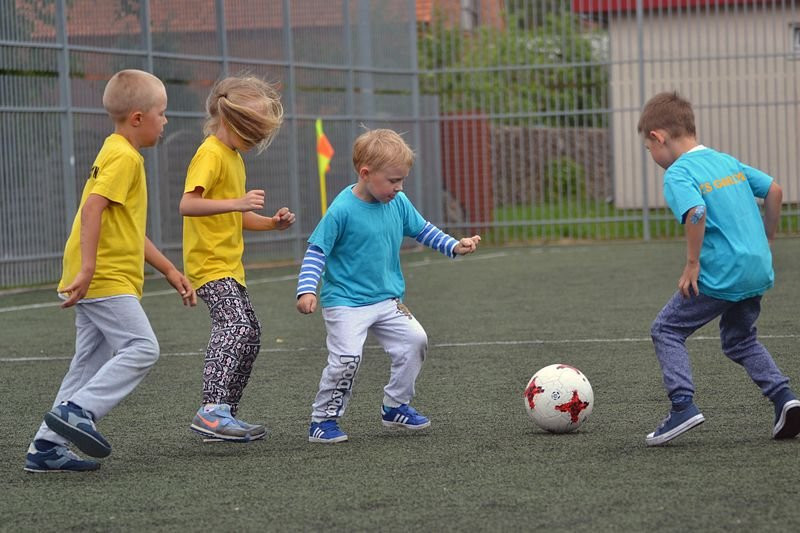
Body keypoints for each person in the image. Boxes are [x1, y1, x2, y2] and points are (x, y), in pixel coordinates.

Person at [24, 69, 197, 473]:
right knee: (143, 347)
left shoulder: (116, 151)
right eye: (162, 112)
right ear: (138, 118)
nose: (166, 120)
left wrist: (169, 270)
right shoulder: (123, 156)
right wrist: (88, 268)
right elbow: (92, 208)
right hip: (104, 276)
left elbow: (129, 231)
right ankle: (78, 411)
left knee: (87, 365)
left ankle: (45, 449)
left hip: (102, 274)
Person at [296, 128, 481, 443]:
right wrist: (307, 289)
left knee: (415, 340)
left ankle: (395, 405)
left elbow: (421, 229)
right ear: (366, 174)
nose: (399, 187)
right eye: (393, 181)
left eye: (402, 181)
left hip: (387, 300)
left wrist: (453, 245)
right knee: (346, 360)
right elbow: (317, 251)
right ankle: (323, 420)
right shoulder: (341, 210)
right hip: (345, 302)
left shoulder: (399, 202)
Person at [638, 91, 800, 446]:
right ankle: (785, 399)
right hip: (757, 269)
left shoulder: (678, 173)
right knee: (740, 339)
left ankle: (683, 406)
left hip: (723, 273)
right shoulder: (725, 160)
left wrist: (692, 264)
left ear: (658, 137)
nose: (653, 157)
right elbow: (774, 190)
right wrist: (767, 241)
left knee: (666, 329)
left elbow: (695, 212)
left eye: (649, 150)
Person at [180, 75, 295, 443]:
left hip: (229, 265)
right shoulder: (210, 153)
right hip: (208, 264)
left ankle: (223, 415)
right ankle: (210, 410)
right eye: (253, 133)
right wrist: (238, 202)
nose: (256, 142)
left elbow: (238, 217)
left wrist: (271, 223)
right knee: (236, 327)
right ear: (231, 122)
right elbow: (188, 204)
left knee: (251, 333)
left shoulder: (233, 157)